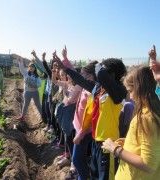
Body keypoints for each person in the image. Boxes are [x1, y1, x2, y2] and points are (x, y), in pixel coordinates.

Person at [54, 49, 127, 180]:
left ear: (111, 74)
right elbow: (81, 81)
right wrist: (65, 68)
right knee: (94, 175)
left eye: (103, 70)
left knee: (104, 177)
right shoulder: (99, 88)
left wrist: (101, 69)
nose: (99, 73)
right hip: (96, 140)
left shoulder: (119, 91)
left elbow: (105, 78)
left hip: (108, 143)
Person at [102, 66, 160, 180]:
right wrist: (128, 143)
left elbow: (148, 164)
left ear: (139, 88)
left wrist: (114, 148)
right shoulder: (152, 111)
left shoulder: (147, 118)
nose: (130, 96)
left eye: (130, 91)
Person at [16, 56, 42, 121]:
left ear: (34, 68)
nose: (31, 68)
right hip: (27, 92)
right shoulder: (26, 73)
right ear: (29, 67)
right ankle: (22, 116)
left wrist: (34, 85)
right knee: (25, 105)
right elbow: (21, 69)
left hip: (35, 92)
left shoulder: (37, 76)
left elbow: (39, 84)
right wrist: (20, 62)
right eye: (30, 67)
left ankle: (43, 116)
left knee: (38, 104)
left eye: (32, 67)